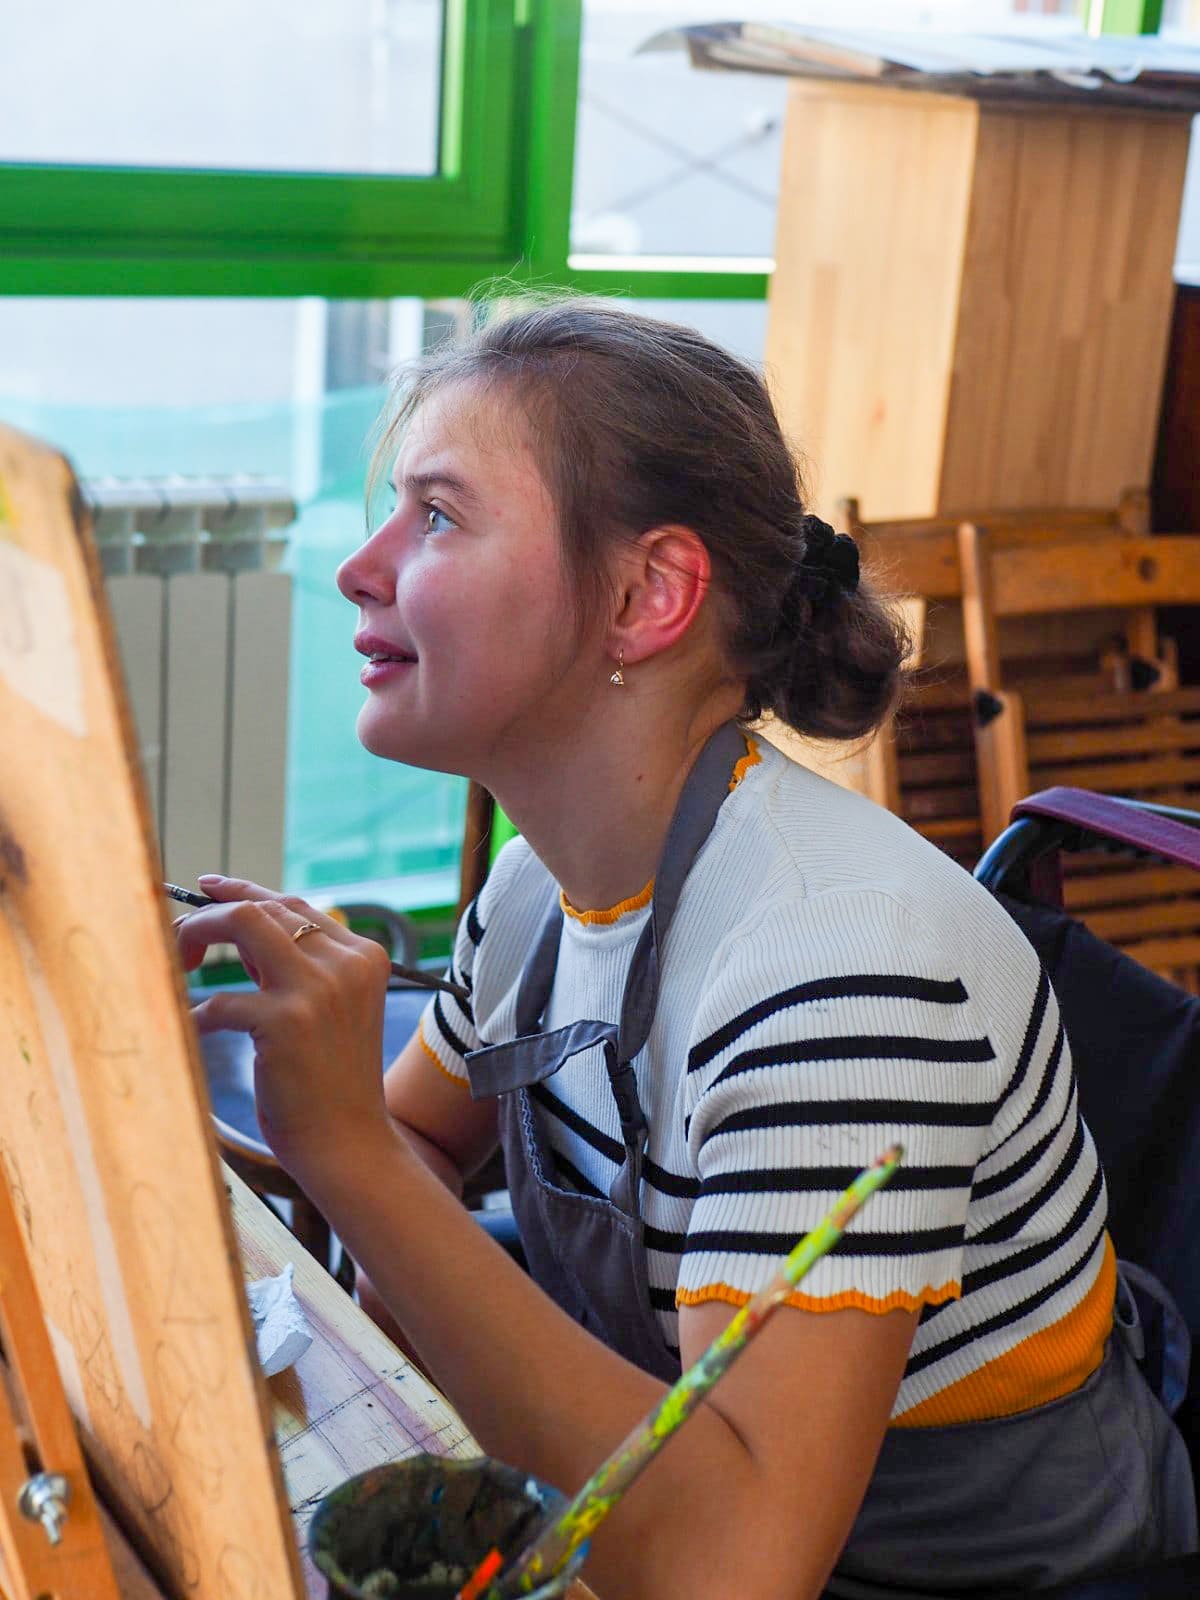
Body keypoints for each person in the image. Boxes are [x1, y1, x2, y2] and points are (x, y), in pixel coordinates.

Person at [177, 297, 1196, 1600]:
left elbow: (735, 1567)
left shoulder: (842, 971)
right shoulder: (537, 891)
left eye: (436, 515)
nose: (360, 568)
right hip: (689, 1494)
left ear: (646, 595)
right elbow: (422, 1137)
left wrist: (350, 1157)